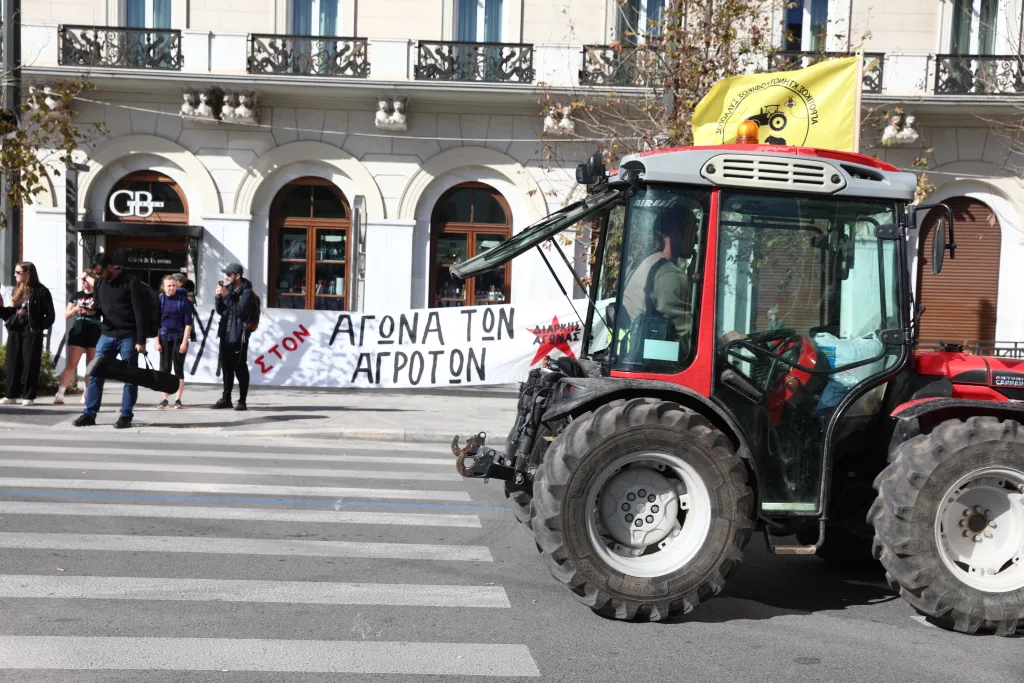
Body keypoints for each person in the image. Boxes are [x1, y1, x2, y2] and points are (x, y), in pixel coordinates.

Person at [74, 253, 150, 429]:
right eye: (95, 274)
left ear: (110, 267)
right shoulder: (100, 283)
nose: (98, 277)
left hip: (128, 336)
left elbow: (140, 313)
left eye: (100, 273)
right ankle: (89, 414)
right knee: (95, 373)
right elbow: (100, 308)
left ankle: (125, 416)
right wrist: (93, 310)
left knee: (130, 376)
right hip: (107, 334)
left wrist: (141, 340)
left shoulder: (131, 282)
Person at [621, 213, 693, 340]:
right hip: (655, 355)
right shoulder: (671, 275)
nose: (696, 240)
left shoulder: (640, 263)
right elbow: (690, 338)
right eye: (693, 232)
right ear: (675, 236)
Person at [0, 262, 55, 406]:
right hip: (15, 331)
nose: (15, 275)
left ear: (28, 273)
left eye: (18, 272)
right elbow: (11, 313)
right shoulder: (16, 290)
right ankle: (11, 395)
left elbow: (50, 315)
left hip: (31, 332)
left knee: (30, 364)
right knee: (13, 363)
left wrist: (39, 328)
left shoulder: (41, 291)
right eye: (15, 272)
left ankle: (28, 396)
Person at [211, 262, 255, 412]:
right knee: (226, 368)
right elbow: (221, 311)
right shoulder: (228, 289)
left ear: (238, 276)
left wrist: (226, 296)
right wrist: (218, 298)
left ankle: (242, 400)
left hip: (239, 336)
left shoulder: (247, 292)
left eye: (229, 274)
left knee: (240, 368)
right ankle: (226, 399)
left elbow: (240, 311)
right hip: (225, 334)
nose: (227, 277)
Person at [55, 272, 101, 405]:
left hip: (94, 330)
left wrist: (91, 309)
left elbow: (101, 310)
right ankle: (60, 393)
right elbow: (66, 314)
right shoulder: (77, 295)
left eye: (85, 279)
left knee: (91, 366)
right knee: (71, 364)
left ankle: (87, 393)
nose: (83, 282)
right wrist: (76, 308)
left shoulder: (98, 295)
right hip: (78, 330)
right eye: (82, 280)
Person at [155, 274, 193, 409]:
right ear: (163, 287)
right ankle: (164, 399)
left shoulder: (183, 301)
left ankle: (178, 399)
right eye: (169, 286)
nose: (172, 288)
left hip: (179, 338)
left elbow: (188, 324)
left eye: (174, 286)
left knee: (178, 369)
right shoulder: (160, 300)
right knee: (164, 369)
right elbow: (156, 323)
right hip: (165, 338)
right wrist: (157, 341)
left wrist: (184, 342)